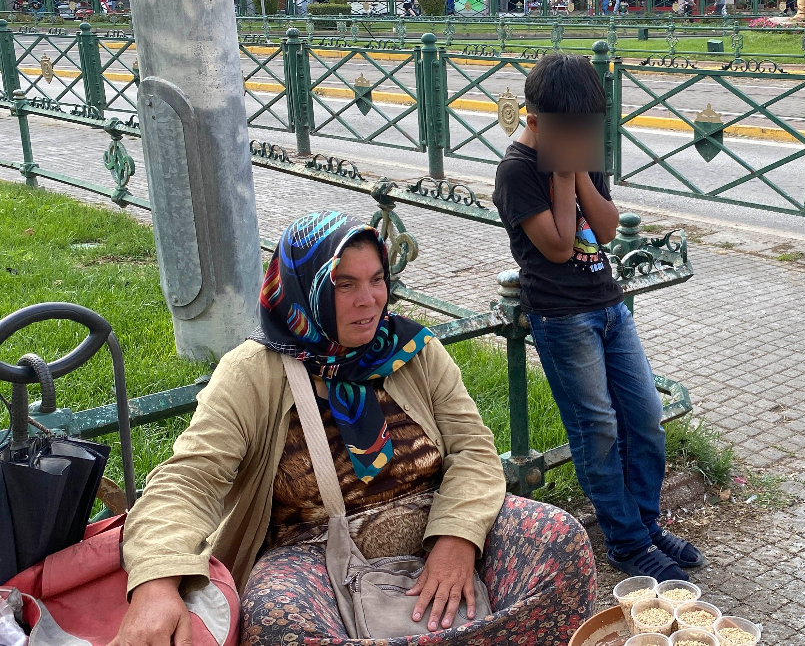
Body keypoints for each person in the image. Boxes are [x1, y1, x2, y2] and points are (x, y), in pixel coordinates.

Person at [113, 213, 596, 646]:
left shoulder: (412, 349)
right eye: (344, 285)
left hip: (436, 525)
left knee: (559, 541)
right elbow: (189, 480)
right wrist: (156, 582)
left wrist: (457, 539)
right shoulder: (253, 372)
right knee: (277, 620)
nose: (369, 301)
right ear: (304, 288)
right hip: (316, 556)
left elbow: (472, 451)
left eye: (377, 279)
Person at [492, 55, 704, 583]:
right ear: (535, 121)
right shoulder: (517, 171)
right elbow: (560, 246)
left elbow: (606, 230)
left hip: (609, 306)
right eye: (571, 131)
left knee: (645, 416)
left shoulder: (579, 150)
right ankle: (626, 543)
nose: (582, 138)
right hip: (561, 317)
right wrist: (563, 173)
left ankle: (646, 526)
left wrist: (579, 168)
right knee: (599, 430)